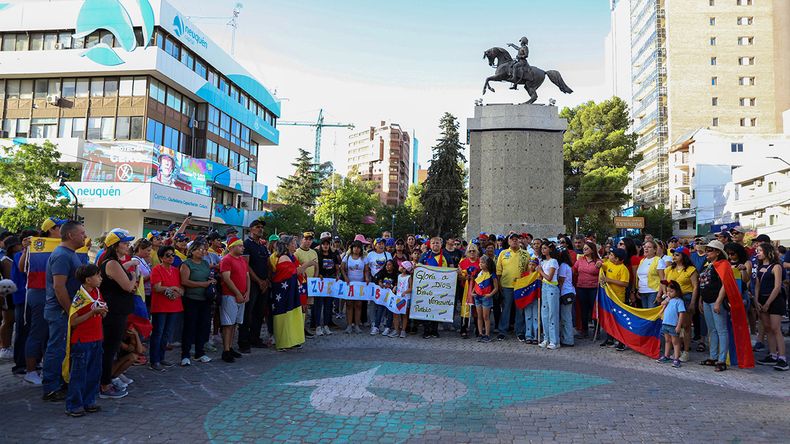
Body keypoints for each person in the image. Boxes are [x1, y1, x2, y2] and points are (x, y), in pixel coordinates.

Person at [42, 221, 88, 402]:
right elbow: (59, 287)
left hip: (64, 311)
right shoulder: (61, 255)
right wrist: (70, 311)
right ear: (70, 235)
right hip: (59, 312)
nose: (85, 236)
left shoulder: (70, 254)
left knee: (63, 349)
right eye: (82, 233)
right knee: (57, 349)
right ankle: (51, 388)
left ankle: (61, 382)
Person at [98, 229, 138, 399]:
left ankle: (107, 379)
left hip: (117, 311)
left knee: (112, 348)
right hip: (113, 312)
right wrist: (134, 276)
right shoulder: (112, 263)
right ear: (115, 246)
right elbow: (128, 286)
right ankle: (104, 385)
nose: (128, 245)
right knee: (109, 349)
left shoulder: (114, 262)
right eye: (124, 243)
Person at [64, 264, 107, 417]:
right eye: (98, 275)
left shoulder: (97, 292)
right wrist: (92, 313)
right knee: (79, 375)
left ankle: (89, 401)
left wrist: (102, 312)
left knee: (94, 373)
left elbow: (101, 311)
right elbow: (73, 321)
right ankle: (74, 404)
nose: (101, 278)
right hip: (82, 341)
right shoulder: (80, 297)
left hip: (97, 337)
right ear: (88, 280)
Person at [271, 235, 309, 351]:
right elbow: (295, 271)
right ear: (287, 246)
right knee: (284, 315)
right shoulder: (284, 258)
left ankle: (293, 340)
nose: (295, 245)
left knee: (293, 315)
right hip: (283, 292)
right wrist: (309, 264)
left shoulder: (292, 257)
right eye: (293, 243)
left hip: (292, 290)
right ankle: (283, 342)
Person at [754, 242, 788, 371]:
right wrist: (756, 300)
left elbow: (777, 286)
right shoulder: (760, 266)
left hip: (775, 300)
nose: (758, 253)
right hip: (762, 299)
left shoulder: (776, 266)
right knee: (767, 328)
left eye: (760, 251)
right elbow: (757, 285)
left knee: (775, 328)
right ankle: (773, 354)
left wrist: (768, 303)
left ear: (767, 252)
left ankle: (782, 358)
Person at [179, 241, 215, 366]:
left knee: (203, 326)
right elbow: (185, 281)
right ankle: (185, 354)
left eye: (203, 249)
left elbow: (207, 277)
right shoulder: (186, 264)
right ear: (192, 251)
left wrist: (211, 282)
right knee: (189, 327)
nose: (202, 251)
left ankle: (200, 352)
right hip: (191, 299)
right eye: (199, 249)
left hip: (205, 299)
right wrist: (202, 284)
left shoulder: (205, 263)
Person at [698, 240, 731, 372]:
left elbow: (725, 284)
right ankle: (713, 357)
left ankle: (722, 360)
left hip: (716, 300)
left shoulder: (724, 264)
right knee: (712, 330)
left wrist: (718, 301)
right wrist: (701, 300)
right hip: (706, 300)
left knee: (721, 330)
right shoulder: (708, 265)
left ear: (718, 252)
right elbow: (703, 283)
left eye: (710, 250)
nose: (707, 252)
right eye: (706, 250)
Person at [661, 247, 699, 362]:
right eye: (674, 255)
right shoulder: (669, 269)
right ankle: (677, 350)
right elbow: (664, 283)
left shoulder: (691, 270)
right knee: (673, 325)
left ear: (684, 256)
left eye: (677, 255)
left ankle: (686, 351)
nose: (674, 257)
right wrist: (665, 295)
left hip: (686, 297)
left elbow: (695, 286)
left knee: (685, 325)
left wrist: (693, 302)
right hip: (671, 299)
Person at [238, 220, 270, 353]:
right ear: (251, 229)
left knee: (259, 312)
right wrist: (258, 281)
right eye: (257, 227)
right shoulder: (246, 244)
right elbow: (246, 265)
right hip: (251, 284)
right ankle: (243, 342)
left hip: (264, 284)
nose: (260, 229)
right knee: (247, 313)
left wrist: (266, 280)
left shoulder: (263, 246)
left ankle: (255, 338)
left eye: (262, 227)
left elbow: (267, 264)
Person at [494, 233, 530, 342]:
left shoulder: (525, 254)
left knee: (520, 310)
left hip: (521, 286)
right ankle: (502, 331)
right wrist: (499, 285)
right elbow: (498, 271)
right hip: (506, 286)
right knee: (506, 309)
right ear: (509, 241)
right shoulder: (503, 253)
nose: (514, 241)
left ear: (519, 241)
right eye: (512, 239)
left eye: (516, 239)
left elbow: (529, 271)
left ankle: (520, 332)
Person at [219, 237, 249, 363]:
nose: (243, 248)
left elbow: (247, 276)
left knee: (235, 323)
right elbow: (227, 278)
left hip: (241, 296)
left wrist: (247, 292)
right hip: (230, 295)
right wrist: (237, 293)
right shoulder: (226, 260)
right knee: (228, 324)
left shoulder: (242, 260)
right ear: (232, 247)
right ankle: (226, 350)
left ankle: (230, 347)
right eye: (240, 246)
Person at [418, 237, 455, 338]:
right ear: (430, 245)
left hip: (441, 287)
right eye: (433, 243)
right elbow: (419, 267)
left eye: (437, 243)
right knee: (426, 307)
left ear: (441, 244)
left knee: (436, 307)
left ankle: (434, 330)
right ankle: (426, 330)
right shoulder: (425, 255)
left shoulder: (446, 255)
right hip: (427, 287)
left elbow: (451, 268)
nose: (435, 245)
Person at [599, 248, 630, 348]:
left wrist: (609, 280)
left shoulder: (623, 269)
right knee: (609, 318)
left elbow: (625, 283)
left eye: (611, 255)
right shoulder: (609, 263)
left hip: (618, 299)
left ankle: (621, 341)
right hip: (609, 297)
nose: (609, 256)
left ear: (617, 259)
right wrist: (599, 264)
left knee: (619, 320)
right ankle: (609, 338)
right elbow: (602, 265)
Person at [572, 241, 602, 339]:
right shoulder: (580, 260)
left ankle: (596, 331)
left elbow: (604, 271)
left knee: (594, 309)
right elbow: (574, 270)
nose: (584, 250)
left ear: (592, 250)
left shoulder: (598, 261)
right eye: (584, 248)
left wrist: (601, 265)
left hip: (594, 288)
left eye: (586, 248)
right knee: (583, 310)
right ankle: (584, 330)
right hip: (581, 288)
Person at [366, 238, 392, 335]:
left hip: (385, 281)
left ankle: (381, 322)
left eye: (382, 244)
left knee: (383, 302)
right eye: (379, 243)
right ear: (375, 245)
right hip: (373, 280)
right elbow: (367, 268)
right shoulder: (370, 254)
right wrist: (367, 278)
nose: (381, 245)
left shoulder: (388, 254)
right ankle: (373, 322)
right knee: (373, 302)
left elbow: (390, 267)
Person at [314, 235, 340, 336]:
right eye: (323, 244)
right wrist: (318, 274)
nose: (325, 246)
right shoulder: (317, 254)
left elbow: (337, 267)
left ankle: (326, 325)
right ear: (320, 245)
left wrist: (337, 275)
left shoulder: (333, 255)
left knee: (328, 305)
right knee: (318, 305)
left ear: (329, 245)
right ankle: (317, 326)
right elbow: (316, 267)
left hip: (330, 281)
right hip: (320, 282)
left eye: (327, 244)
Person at [657, 280, 686, 368]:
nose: (669, 293)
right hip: (665, 323)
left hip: (673, 325)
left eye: (671, 291)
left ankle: (676, 358)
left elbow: (681, 313)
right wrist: (667, 299)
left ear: (677, 291)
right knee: (667, 340)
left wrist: (679, 325)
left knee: (675, 342)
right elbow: (662, 303)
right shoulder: (668, 300)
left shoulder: (679, 301)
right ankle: (666, 355)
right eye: (668, 291)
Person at [537, 242, 560, 350]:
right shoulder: (543, 261)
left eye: (545, 248)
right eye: (542, 248)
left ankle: (554, 340)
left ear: (550, 249)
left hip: (552, 287)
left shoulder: (553, 261)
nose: (543, 250)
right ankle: (546, 338)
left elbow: (549, 277)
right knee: (544, 314)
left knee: (552, 314)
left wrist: (540, 271)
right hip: (544, 287)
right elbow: (542, 277)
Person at [295, 232, 318, 337]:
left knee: (307, 306)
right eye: (306, 239)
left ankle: (304, 328)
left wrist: (315, 279)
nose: (308, 241)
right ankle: (299, 329)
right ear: (301, 240)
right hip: (301, 284)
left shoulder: (314, 252)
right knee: (300, 306)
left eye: (310, 239)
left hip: (311, 283)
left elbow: (316, 266)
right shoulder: (297, 252)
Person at [341, 240, 367, 334]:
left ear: (361, 249)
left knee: (358, 305)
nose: (356, 249)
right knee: (349, 304)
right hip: (349, 284)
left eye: (358, 247)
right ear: (351, 248)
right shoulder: (347, 257)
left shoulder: (364, 258)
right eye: (355, 247)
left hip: (360, 284)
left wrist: (366, 278)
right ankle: (349, 325)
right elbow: (342, 268)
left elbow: (366, 270)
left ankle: (357, 325)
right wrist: (345, 277)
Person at [472, 255, 498, 343]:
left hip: (486, 297)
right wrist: (472, 292)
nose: (480, 264)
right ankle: (480, 334)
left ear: (488, 264)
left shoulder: (492, 274)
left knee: (486, 317)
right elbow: (476, 284)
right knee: (479, 316)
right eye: (480, 262)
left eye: (482, 263)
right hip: (477, 297)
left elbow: (496, 288)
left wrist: (490, 294)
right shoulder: (479, 273)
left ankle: (487, 334)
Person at [458, 244, 481, 339]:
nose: (472, 252)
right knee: (465, 307)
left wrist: (476, 277)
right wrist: (465, 277)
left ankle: (478, 328)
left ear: (477, 252)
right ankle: (463, 329)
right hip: (465, 289)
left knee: (477, 308)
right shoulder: (463, 262)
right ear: (467, 252)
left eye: (473, 251)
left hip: (478, 289)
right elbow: (459, 276)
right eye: (470, 251)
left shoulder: (480, 261)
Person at [373, 260, 399, 337]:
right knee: (380, 310)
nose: (387, 266)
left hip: (391, 296)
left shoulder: (396, 274)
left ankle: (388, 327)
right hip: (382, 296)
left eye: (390, 265)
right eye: (387, 265)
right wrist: (379, 282)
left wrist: (395, 286)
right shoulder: (382, 272)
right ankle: (376, 327)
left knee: (390, 312)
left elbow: (400, 283)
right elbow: (375, 278)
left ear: (393, 266)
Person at [557, 249, 576, 347]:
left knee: (566, 317)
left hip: (565, 293)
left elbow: (561, 281)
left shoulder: (563, 266)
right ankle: (567, 338)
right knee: (567, 316)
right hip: (570, 292)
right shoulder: (568, 266)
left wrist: (558, 293)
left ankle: (568, 339)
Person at [636, 240, 662, 309]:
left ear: (655, 250)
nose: (646, 249)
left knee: (651, 313)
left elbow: (662, 279)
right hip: (642, 291)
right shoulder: (642, 261)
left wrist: (659, 294)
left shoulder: (659, 260)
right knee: (645, 313)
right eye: (645, 247)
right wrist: (638, 289)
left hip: (653, 291)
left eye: (649, 247)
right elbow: (640, 277)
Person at [393, 261, 413, 338]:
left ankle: (403, 330)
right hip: (398, 297)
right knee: (396, 314)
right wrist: (395, 287)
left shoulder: (409, 277)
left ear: (405, 269)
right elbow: (398, 285)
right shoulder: (399, 276)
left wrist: (405, 292)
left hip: (406, 298)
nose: (399, 267)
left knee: (404, 315)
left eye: (401, 266)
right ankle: (396, 330)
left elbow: (411, 288)